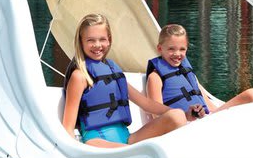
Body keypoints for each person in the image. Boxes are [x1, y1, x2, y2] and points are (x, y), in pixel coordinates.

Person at [62, 14, 193, 148]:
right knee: (140, 152)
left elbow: (146, 103)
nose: (97, 45)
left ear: (109, 40)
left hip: (126, 138)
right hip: (97, 140)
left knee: (177, 116)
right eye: (91, 40)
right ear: (81, 41)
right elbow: (68, 127)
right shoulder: (80, 76)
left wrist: (185, 115)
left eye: (102, 39)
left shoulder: (113, 70)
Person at [146, 24, 253, 119]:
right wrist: (187, 116)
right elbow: (157, 117)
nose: (177, 54)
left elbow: (208, 105)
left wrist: (211, 113)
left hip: (207, 119)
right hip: (184, 126)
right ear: (160, 48)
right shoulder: (155, 77)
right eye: (171, 49)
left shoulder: (187, 74)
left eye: (182, 49)